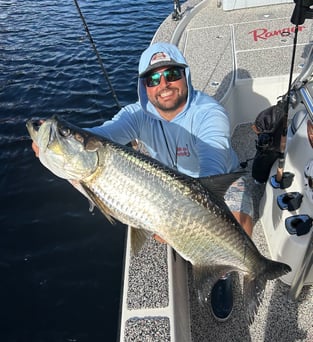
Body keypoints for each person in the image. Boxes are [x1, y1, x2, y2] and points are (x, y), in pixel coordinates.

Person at [32, 42, 253, 322]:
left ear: (185, 76)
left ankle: (226, 273)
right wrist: (59, 142)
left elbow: (213, 163)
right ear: (144, 85)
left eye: (172, 74)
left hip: (212, 181)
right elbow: (99, 135)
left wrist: (178, 217)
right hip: (166, 187)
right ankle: (205, 257)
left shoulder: (210, 113)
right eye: (154, 78)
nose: (164, 84)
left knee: (239, 215)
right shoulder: (135, 114)